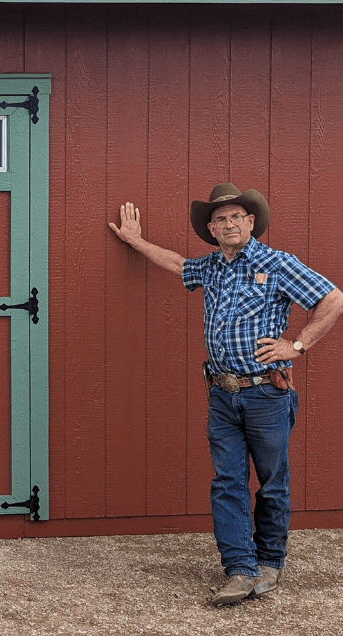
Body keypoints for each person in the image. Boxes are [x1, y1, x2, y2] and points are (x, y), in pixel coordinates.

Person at [108, 183, 343, 607]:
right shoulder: (212, 267)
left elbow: (333, 299)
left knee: (272, 484)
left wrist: (296, 345)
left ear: (251, 222)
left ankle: (269, 562)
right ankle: (240, 569)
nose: (229, 223)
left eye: (236, 216)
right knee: (228, 482)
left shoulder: (278, 263)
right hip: (221, 393)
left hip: (266, 394)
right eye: (220, 219)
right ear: (212, 229)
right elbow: (178, 263)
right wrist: (136, 241)